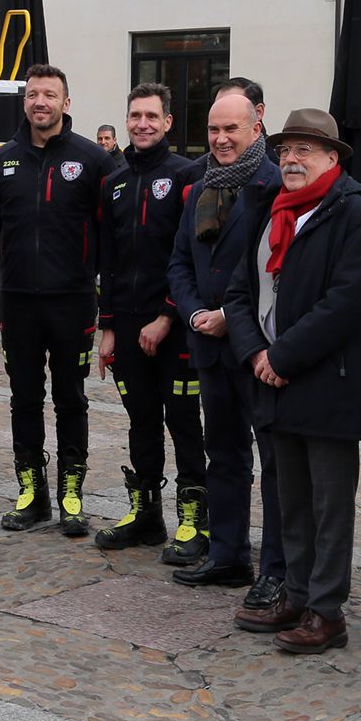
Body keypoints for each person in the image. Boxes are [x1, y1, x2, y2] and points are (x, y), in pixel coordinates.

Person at [223, 107, 361, 654]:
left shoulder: (358, 215)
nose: (290, 159)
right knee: (289, 500)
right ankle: (295, 593)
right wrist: (252, 352)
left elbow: (347, 303)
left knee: (329, 507)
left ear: (332, 158)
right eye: (285, 150)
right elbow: (240, 292)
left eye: (305, 151)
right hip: (273, 378)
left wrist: (282, 355)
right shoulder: (272, 209)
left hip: (326, 383)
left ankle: (326, 613)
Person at [168, 91, 284, 603]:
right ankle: (227, 555)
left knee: (275, 463)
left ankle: (276, 566)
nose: (220, 140)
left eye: (231, 130)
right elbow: (179, 262)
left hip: (255, 348)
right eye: (214, 130)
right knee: (225, 456)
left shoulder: (275, 185)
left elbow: (272, 271)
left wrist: (227, 318)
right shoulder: (198, 189)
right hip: (210, 347)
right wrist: (194, 313)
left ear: (256, 128)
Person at [0, 63, 107, 537]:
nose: (41, 102)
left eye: (50, 95)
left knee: (71, 399)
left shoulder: (93, 160)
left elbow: (105, 228)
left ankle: (71, 494)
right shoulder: (4, 161)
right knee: (24, 399)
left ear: (66, 102)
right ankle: (31, 493)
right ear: (25, 102)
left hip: (72, 300)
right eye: (33, 94)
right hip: (18, 303)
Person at [94, 83, 205, 563]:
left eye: (150, 116)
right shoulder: (113, 182)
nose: (141, 124)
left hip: (176, 326)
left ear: (168, 123)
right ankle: (146, 514)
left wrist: (165, 316)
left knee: (183, 423)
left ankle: (194, 522)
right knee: (141, 421)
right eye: (134, 115)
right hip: (129, 325)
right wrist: (108, 326)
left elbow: (193, 258)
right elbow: (109, 259)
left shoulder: (187, 176)